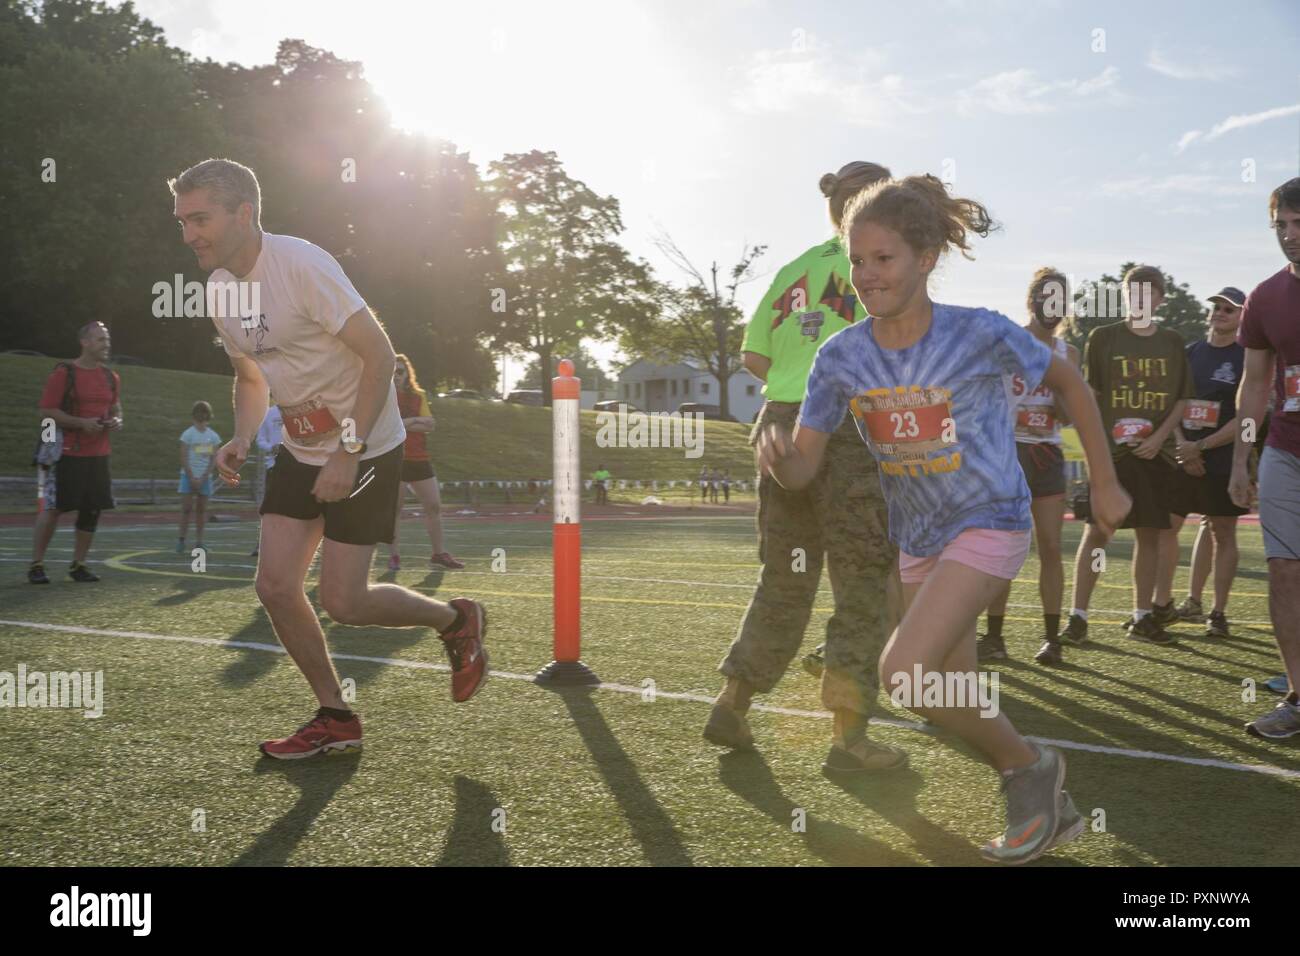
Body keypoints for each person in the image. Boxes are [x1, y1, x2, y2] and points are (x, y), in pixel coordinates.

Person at [759, 173, 1129, 862]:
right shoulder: (840, 356)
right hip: (919, 538)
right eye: (856, 260)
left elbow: (1068, 382)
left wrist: (1104, 481)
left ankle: (1031, 772)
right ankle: (1053, 808)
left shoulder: (979, 333)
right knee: (943, 691)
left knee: (905, 675)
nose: (867, 275)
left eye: (884, 259)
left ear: (926, 257)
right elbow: (806, 466)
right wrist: (781, 460)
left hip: (989, 518)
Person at [170, 157, 487, 759]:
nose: (189, 235)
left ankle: (454, 619)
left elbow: (378, 355)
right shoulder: (217, 289)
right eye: (183, 221)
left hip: (368, 442)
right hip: (300, 446)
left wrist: (349, 451)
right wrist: (241, 435)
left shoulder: (302, 264)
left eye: (201, 219)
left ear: (245, 212)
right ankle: (335, 717)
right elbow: (249, 374)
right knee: (275, 585)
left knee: (345, 602)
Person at [708, 161, 905, 775]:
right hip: (846, 425)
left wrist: (797, 387)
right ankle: (849, 740)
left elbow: (755, 355)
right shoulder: (881, 263)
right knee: (861, 582)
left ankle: (734, 702)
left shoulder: (795, 269)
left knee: (783, 577)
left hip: (779, 419)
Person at [1058, 266, 1193, 648]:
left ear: (1160, 299)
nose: (1138, 299)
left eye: (1147, 292)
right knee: (1099, 533)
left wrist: (1160, 438)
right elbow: (1091, 397)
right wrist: (1092, 450)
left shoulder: (1171, 340)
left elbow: (1182, 398)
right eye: (1132, 291)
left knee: (1150, 535)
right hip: (1112, 453)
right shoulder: (1104, 338)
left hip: (1156, 454)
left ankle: (1142, 616)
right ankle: (1078, 616)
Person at [976, 269, 1080, 666]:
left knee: (1051, 547)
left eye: (1060, 299)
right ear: (1031, 299)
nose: (1052, 306)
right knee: (1004, 547)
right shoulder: (1007, 342)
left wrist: (1059, 399)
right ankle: (995, 638)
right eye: (1045, 296)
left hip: (1048, 455)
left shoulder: (1069, 353)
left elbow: (1070, 415)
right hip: (1009, 453)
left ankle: (1052, 640)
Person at [1231, 177, 1300, 739]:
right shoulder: (1265, 297)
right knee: (1284, 569)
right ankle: (1299, 699)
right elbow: (1254, 386)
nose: (1290, 236)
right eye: (1281, 225)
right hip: (1286, 449)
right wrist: (1240, 459)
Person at [1156, 288, 1248, 638]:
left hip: (1221, 458)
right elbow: (1171, 403)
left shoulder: (1247, 357)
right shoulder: (1190, 353)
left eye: (1230, 309)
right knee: (1166, 528)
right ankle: (1162, 606)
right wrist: (1183, 447)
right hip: (1182, 455)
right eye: (1217, 307)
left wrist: (1202, 447)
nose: (1220, 313)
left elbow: (1246, 417)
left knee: (1222, 532)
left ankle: (1217, 612)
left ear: (1242, 317)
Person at [29, 321, 123, 584]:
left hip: (99, 453)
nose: (107, 344)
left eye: (107, 339)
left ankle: (78, 564)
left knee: (92, 509)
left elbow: (116, 409)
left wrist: (116, 421)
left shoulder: (110, 377)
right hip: (67, 452)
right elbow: (46, 411)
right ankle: (36, 564)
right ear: (85, 342)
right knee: (54, 508)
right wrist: (82, 423)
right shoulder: (64, 372)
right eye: (101, 339)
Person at [388, 353, 463, 571]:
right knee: (395, 510)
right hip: (395, 460)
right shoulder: (383, 396)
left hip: (420, 458)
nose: (396, 376)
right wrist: (414, 422)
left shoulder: (418, 395)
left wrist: (406, 422)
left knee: (434, 506)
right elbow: (390, 426)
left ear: (407, 373)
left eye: (400, 371)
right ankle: (394, 557)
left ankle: (439, 553)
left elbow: (430, 425)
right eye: (393, 372)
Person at [176, 400, 220, 554]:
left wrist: (203, 478)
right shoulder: (187, 434)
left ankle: (199, 542)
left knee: (201, 511)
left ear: (208, 416)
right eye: (199, 413)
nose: (202, 416)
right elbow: (183, 457)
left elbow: (213, 460)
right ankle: (181, 540)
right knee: (186, 509)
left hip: (204, 479)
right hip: (188, 477)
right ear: (194, 415)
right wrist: (192, 477)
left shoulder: (213, 437)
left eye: (204, 413)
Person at [249, 402, 282, 557]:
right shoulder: (268, 413)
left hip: (297, 466)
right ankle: (261, 544)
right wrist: (271, 447)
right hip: (273, 466)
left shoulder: (297, 411)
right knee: (269, 508)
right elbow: (260, 440)